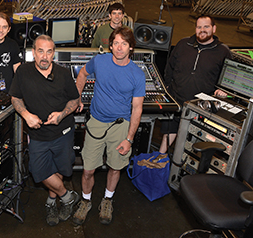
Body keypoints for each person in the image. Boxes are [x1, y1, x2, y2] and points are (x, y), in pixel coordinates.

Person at [73, 27, 145, 225]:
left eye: (124, 43)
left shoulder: (137, 75)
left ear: (131, 47)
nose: (119, 47)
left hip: (121, 126)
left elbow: (137, 109)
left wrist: (129, 139)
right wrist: (77, 97)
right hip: (96, 122)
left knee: (115, 167)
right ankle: (86, 201)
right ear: (110, 45)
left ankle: (107, 199)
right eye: (116, 43)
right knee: (88, 169)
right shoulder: (100, 61)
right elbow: (82, 74)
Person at [9, 35, 80, 226]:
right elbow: (15, 98)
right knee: (38, 171)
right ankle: (67, 197)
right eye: (40, 51)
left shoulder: (63, 73)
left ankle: (51, 202)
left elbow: (75, 101)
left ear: (53, 54)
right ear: (33, 52)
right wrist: (26, 114)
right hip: (38, 134)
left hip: (63, 132)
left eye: (49, 52)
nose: (44, 56)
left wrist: (61, 114)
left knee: (60, 169)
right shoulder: (23, 72)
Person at [159, 14, 232, 153]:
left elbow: (226, 80)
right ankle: (159, 160)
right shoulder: (183, 44)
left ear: (214, 28)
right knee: (167, 135)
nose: (202, 30)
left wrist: (222, 91)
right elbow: (169, 68)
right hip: (176, 100)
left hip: (200, 107)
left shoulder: (223, 52)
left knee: (192, 142)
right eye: (199, 27)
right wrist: (168, 88)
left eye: (206, 26)